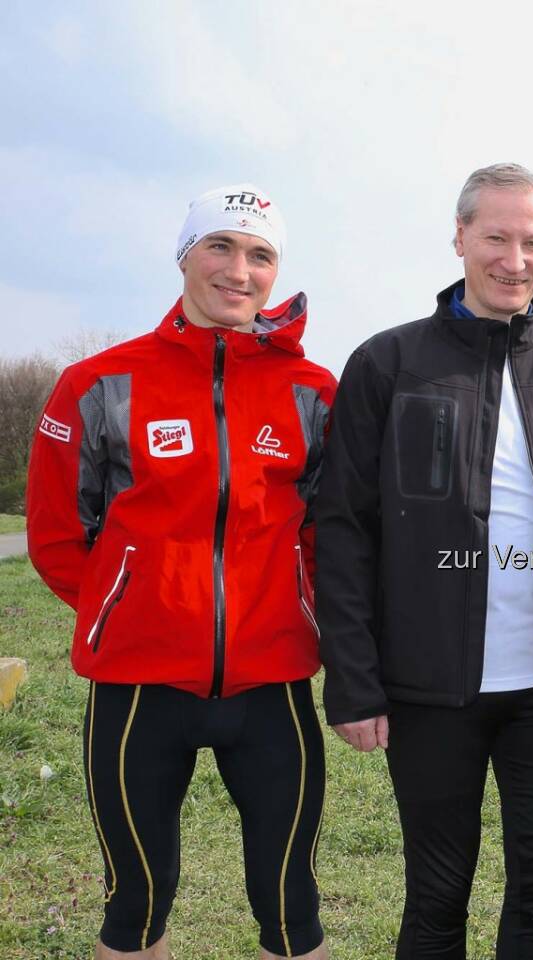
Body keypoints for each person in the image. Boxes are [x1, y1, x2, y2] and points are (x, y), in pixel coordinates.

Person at [313, 162, 533, 959]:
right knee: (437, 892)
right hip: (428, 691)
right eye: (496, 237)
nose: (514, 258)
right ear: (460, 237)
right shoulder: (388, 365)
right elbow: (344, 531)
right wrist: (353, 679)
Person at [26, 185, 334, 959]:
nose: (239, 269)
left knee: (293, 907)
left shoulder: (314, 392)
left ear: (276, 272)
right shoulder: (98, 384)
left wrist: (299, 607)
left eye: (259, 254)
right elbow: (59, 535)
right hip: (138, 689)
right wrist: (132, 611)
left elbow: (336, 536)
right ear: (185, 256)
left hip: (274, 688)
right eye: (219, 246)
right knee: (134, 907)